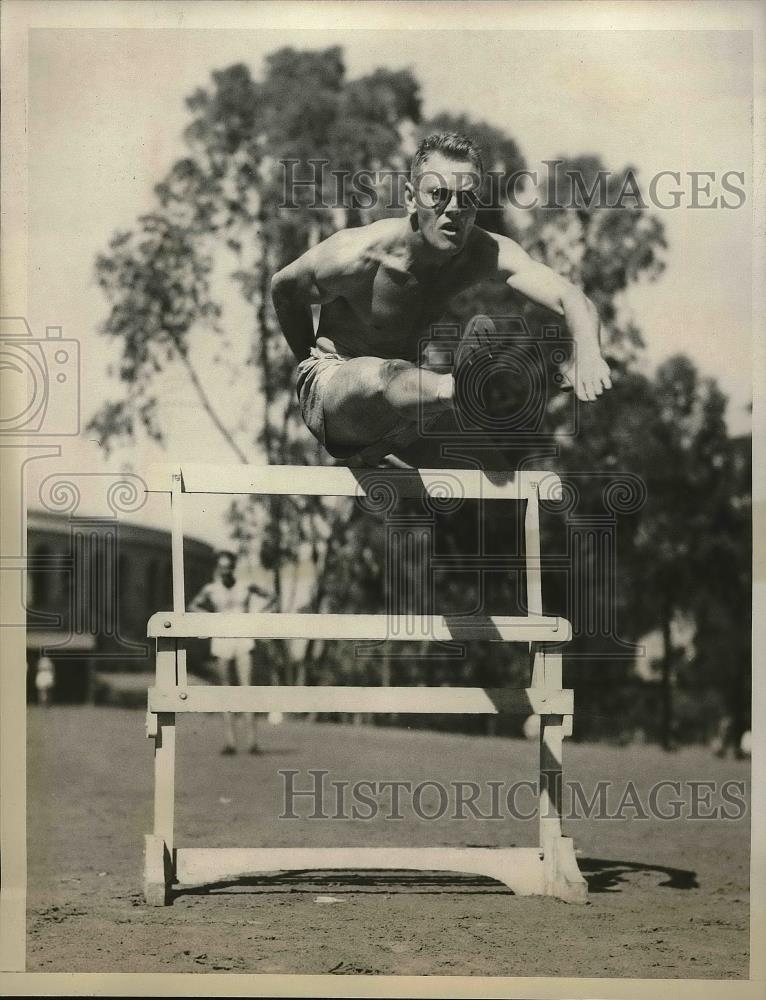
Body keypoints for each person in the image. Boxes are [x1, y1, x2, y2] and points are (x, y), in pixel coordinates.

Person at [271, 131, 612, 469]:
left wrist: (589, 350)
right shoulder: (357, 255)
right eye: (439, 195)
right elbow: (283, 289)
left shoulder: (483, 252)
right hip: (338, 388)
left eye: (467, 199)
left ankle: (400, 431)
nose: (453, 210)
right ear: (410, 198)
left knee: (499, 484)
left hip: (413, 400)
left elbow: (570, 295)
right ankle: (454, 389)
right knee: (388, 374)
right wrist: (307, 363)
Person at [188, 550, 275, 755]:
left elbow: (270, 596)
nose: (225, 569)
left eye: (229, 565)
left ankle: (252, 741)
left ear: (234, 566)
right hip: (222, 639)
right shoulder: (211, 589)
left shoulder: (245, 586)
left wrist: (258, 616)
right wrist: (211, 618)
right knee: (226, 688)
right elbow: (193, 606)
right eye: (222, 565)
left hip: (244, 638)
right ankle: (230, 742)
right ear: (218, 567)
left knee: (246, 688)